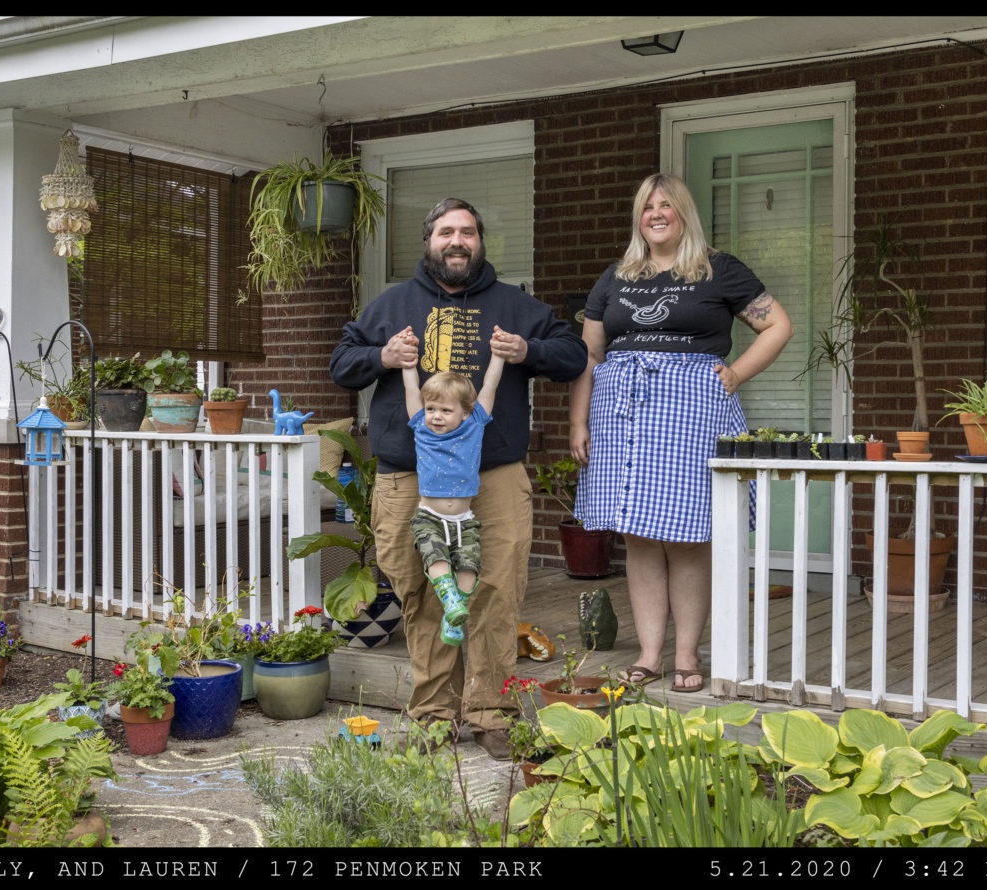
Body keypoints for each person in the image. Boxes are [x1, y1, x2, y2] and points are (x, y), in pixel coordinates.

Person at [330, 197, 588, 759]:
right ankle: (432, 714)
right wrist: (381, 354)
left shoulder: (514, 305)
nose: (457, 241)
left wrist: (528, 348)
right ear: (428, 240)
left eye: (467, 232)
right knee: (420, 594)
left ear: (480, 241)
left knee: (494, 592)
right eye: (446, 231)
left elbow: (572, 356)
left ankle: (491, 713)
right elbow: (340, 362)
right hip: (408, 479)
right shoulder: (393, 304)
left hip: (493, 478)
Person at [568, 173, 794, 693]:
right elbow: (589, 353)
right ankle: (650, 656)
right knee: (640, 535)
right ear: (638, 217)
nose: (656, 213)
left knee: (690, 536)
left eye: (666, 204)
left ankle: (688, 655)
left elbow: (778, 325)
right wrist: (578, 420)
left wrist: (736, 373)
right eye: (647, 206)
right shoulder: (617, 276)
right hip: (619, 414)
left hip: (691, 411)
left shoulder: (719, 269)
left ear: (684, 211)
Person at [398, 324, 506, 646]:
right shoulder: (421, 427)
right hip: (429, 516)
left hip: (465, 521)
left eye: (446, 410)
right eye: (432, 409)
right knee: (436, 559)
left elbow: (489, 387)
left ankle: (452, 617)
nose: (436, 416)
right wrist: (407, 362)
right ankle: (451, 603)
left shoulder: (474, 426)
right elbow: (411, 390)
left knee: (470, 571)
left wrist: (498, 355)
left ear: (465, 412)